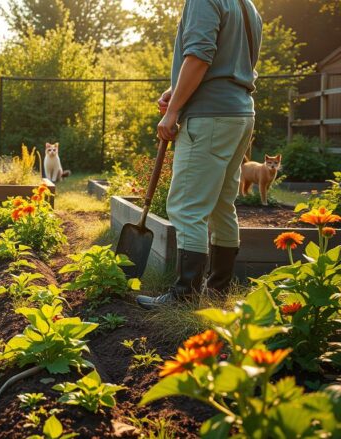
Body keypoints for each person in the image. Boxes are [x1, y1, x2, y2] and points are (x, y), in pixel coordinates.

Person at [136, 0, 263, 309]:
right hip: (239, 114)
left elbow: (199, 57)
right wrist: (175, 91)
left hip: (209, 116)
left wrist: (174, 111)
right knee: (222, 205)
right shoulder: (247, 6)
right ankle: (218, 291)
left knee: (186, 207)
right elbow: (226, 62)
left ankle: (184, 297)